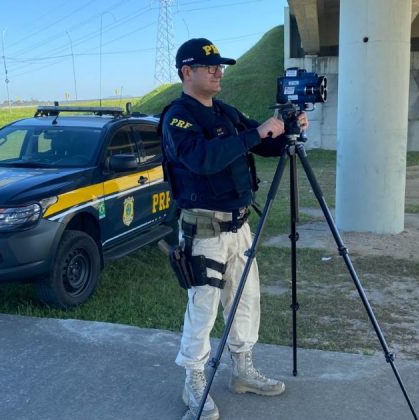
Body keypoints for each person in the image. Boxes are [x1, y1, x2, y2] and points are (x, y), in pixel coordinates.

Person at [160, 38, 309, 420]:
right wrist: (257, 133)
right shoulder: (177, 117)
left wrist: (286, 134)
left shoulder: (226, 112)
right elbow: (203, 159)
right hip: (203, 231)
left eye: (220, 66)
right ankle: (194, 380)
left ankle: (242, 370)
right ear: (186, 72)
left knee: (246, 300)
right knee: (203, 308)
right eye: (208, 66)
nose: (218, 71)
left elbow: (261, 147)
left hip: (239, 226)